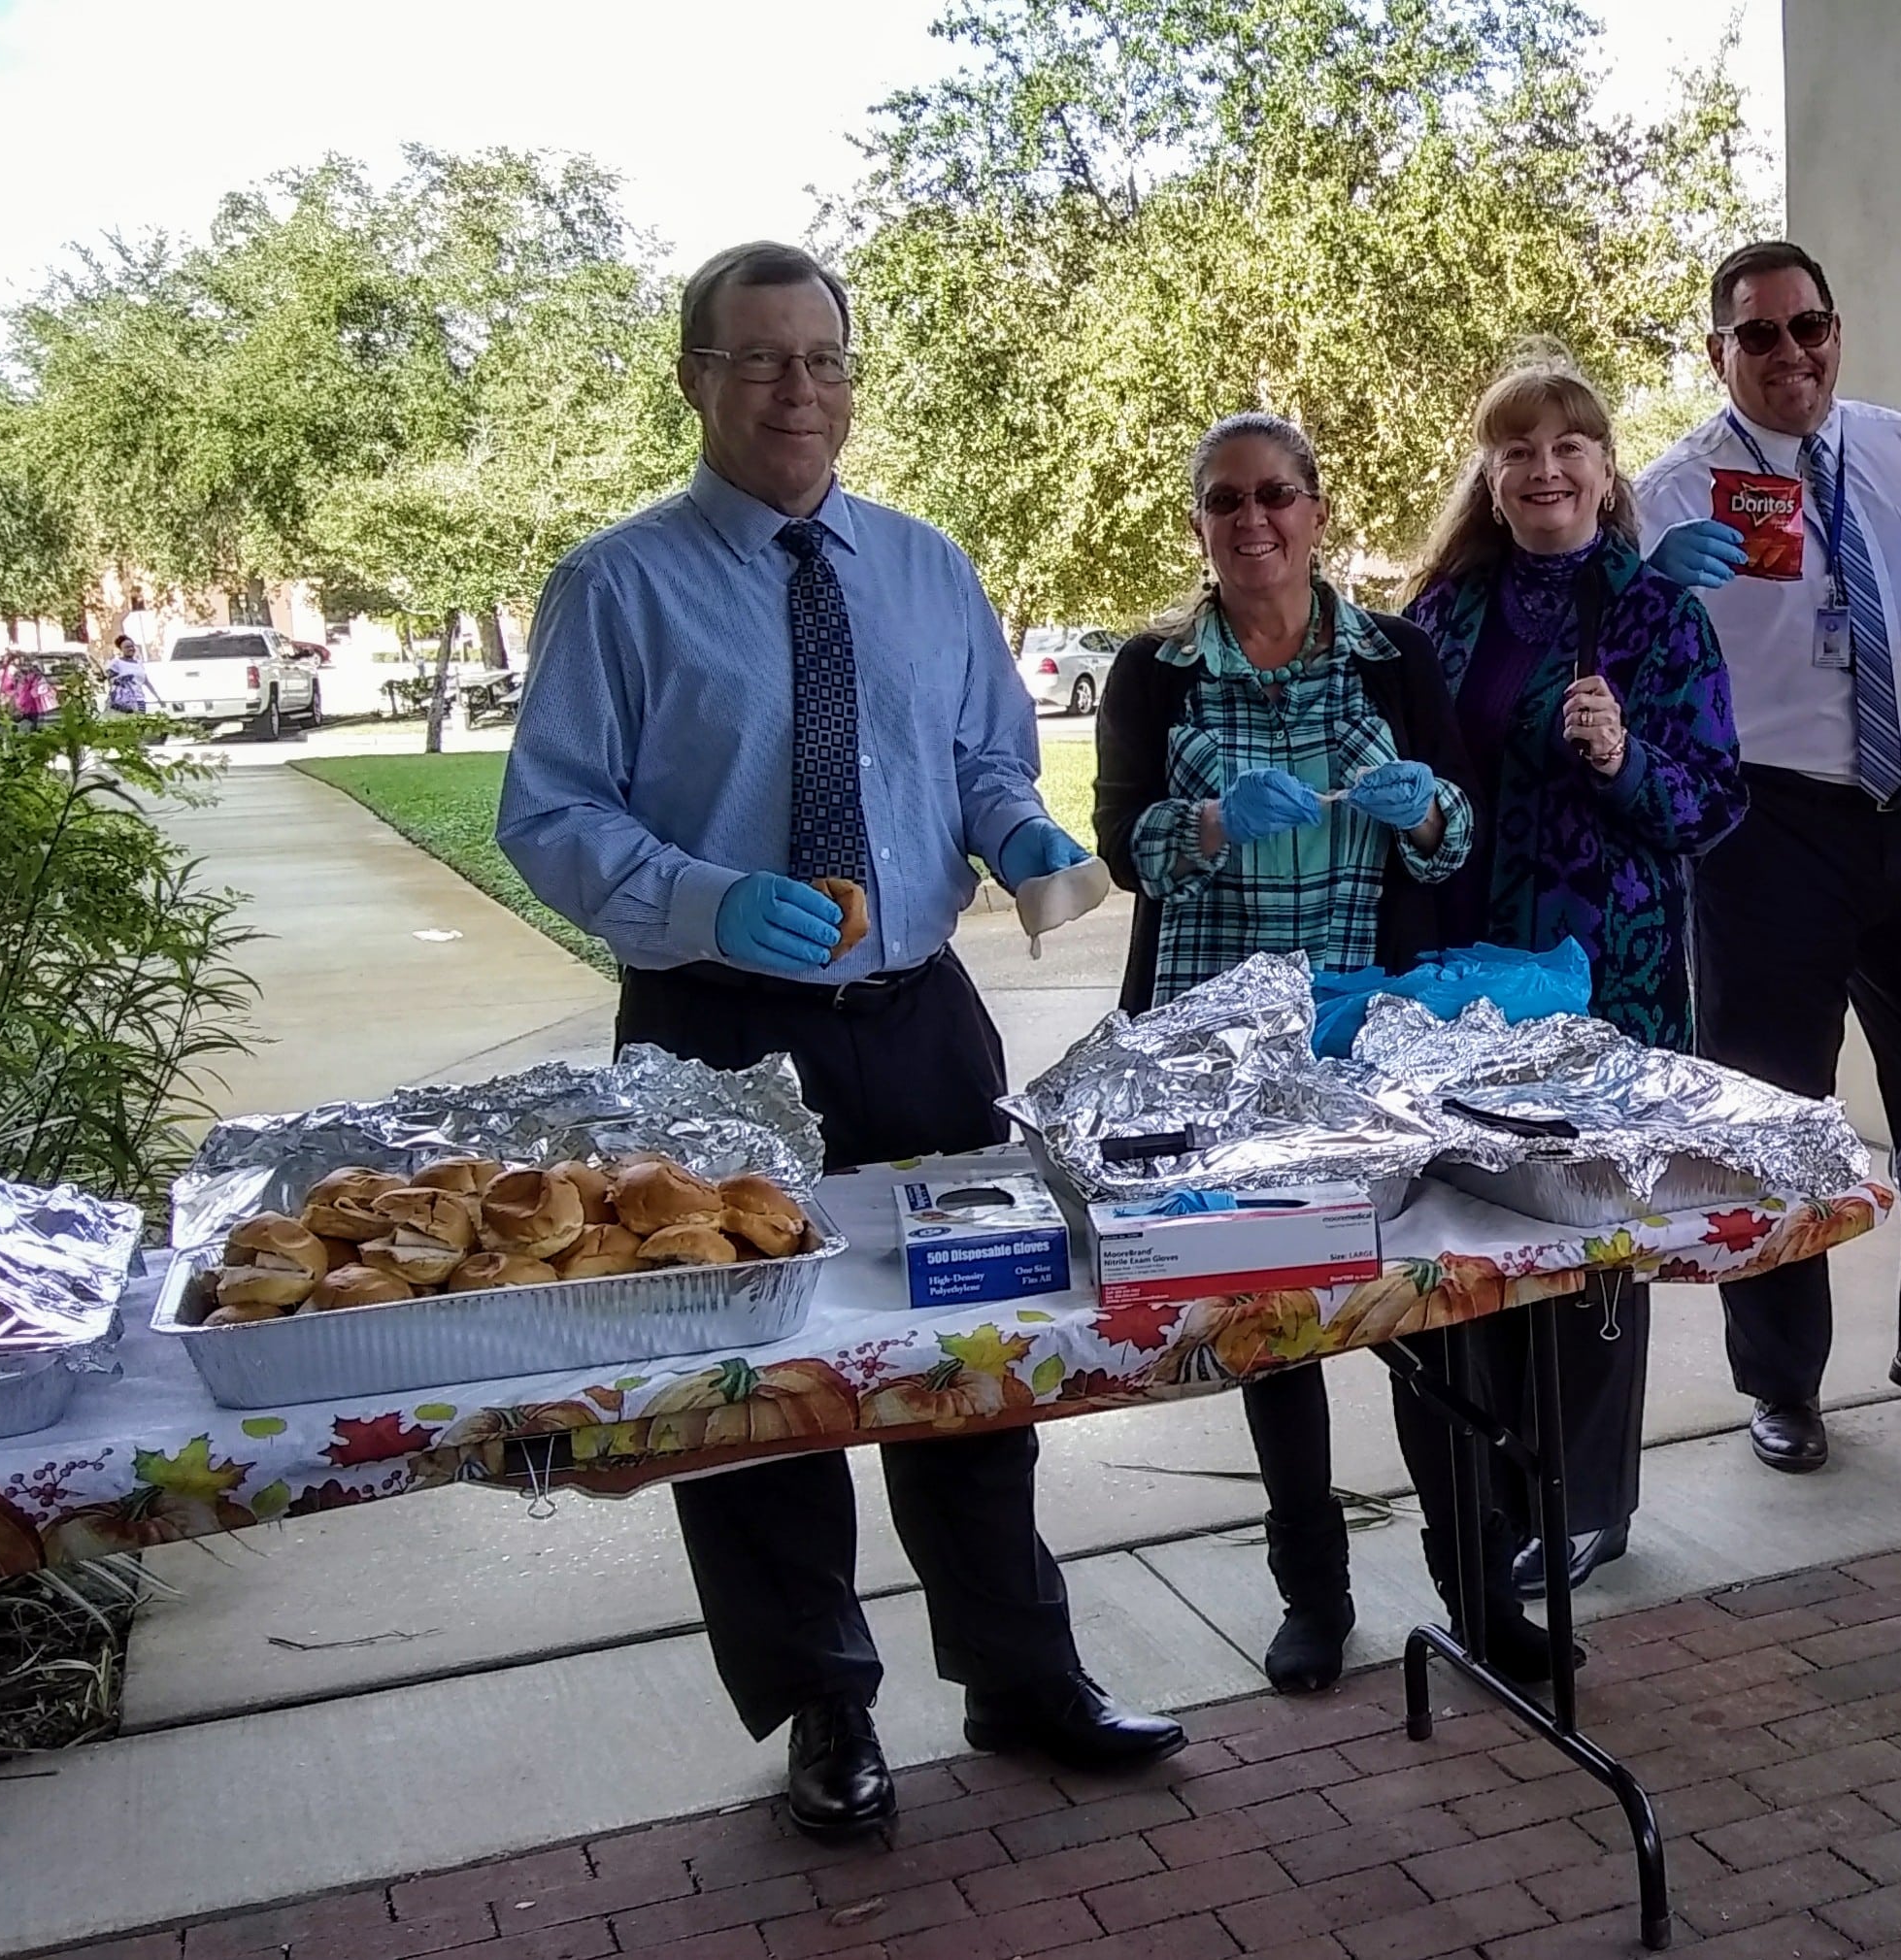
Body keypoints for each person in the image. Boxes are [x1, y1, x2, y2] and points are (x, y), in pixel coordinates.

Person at [498, 241, 1183, 1844]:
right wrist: (705, 899)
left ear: (850, 379)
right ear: (693, 376)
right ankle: (823, 1703)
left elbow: (975, 755)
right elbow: (549, 814)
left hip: (913, 1019)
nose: (794, 389)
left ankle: (1020, 1671)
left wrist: (1020, 834)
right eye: (757, 358)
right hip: (712, 1035)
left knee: (975, 1349)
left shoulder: (928, 564)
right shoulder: (618, 584)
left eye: (819, 358)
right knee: (753, 1381)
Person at [1634, 240, 1901, 1475]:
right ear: (1717, 350)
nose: (1791, 353)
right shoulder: (1674, 493)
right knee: (1774, 1117)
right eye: (1759, 335)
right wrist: (1649, 592)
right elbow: (1628, 669)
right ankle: (1780, 1385)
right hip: (1763, 828)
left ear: (1837, 329)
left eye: (1809, 326)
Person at [1094, 409, 1481, 1692]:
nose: (1250, 522)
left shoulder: (1394, 659)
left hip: (1363, 1035)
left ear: (1317, 512)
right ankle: (1311, 1588)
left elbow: (1453, 834)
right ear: (1199, 524)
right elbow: (1117, 843)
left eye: (1273, 496)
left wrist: (1422, 804)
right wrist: (1200, 821)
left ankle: (1475, 1580)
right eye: (1223, 502)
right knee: (1274, 1323)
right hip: (1218, 1052)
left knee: (1422, 1315)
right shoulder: (1154, 672)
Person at [1399, 346, 1745, 1598]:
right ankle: (1495, 1490)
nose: (1544, 470)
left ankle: (1587, 1499)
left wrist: (1623, 760)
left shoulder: (1657, 612)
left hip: (1616, 982)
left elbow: (1713, 803)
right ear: (1490, 481)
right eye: (1517, 452)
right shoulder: (1441, 615)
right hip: (1473, 983)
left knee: (1593, 1237)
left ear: (1606, 472)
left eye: (1569, 448)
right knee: (1483, 1226)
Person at [108, 637, 152, 714]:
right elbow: (110, 681)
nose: (131, 648)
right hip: (124, 703)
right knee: (128, 724)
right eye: (127, 647)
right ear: (121, 649)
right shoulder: (116, 663)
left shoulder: (139, 663)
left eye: (132, 646)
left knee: (141, 723)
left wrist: (159, 698)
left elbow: (146, 681)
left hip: (140, 700)